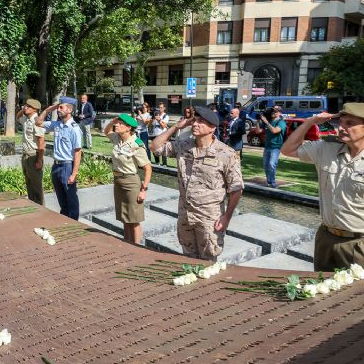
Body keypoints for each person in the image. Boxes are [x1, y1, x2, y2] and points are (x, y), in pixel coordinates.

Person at [150, 106, 244, 261]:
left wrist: (227, 217)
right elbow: (155, 147)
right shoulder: (183, 145)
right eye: (194, 121)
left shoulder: (226, 154)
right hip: (185, 214)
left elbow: (236, 189)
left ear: (212, 128)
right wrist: (175, 126)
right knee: (187, 257)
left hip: (209, 218)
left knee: (208, 259)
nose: (194, 124)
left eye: (200, 122)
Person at [281, 103, 364, 271]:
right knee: (322, 292)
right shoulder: (326, 149)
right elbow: (287, 149)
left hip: (358, 242)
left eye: (350, 123)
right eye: (340, 122)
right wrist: (310, 122)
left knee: (355, 296)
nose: (341, 128)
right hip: (325, 238)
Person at [103, 114, 152, 244]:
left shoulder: (137, 144)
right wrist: (112, 121)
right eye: (117, 123)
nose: (116, 125)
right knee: (124, 217)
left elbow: (148, 168)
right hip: (118, 181)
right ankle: (127, 243)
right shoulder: (117, 138)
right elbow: (106, 131)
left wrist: (143, 190)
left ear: (128, 127)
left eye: (120, 124)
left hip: (131, 183)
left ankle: (136, 247)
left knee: (134, 219)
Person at [36, 97, 83, 220]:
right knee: (62, 199)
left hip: (67, 166)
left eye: (61, 107)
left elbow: (78, 152)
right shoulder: (57, 124)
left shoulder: (74, 128)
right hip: (56, 166)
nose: (58, 110)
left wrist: (74, 174)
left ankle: (73, 224)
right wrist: (49, 109)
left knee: (71, 199)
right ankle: (64, 221)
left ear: (70, 110)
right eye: (58, 107)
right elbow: (38, 122)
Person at [16, 99, 45, 205]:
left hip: (33, 155)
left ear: (34, 109)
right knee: (29, 183)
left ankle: (41, 209)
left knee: (37, 186)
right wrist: (22, 110)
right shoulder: (26, 119)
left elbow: (41, 142)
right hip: (26, 155)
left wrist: (39, 160)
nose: (25, 107)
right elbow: (18, 117)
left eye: (28, 106)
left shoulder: (36, 121)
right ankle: (33, 205)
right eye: (25, 105)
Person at [255, 105, 286, 188]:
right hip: (267, 146)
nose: (272, 112)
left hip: (275, 147)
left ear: (279, 112)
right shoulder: (269, 121)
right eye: (272, 111)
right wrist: (258, 121)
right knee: (266, 165)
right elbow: (258, 131)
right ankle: (269, 182)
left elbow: (275, 130)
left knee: (272, 164)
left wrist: (266, 122)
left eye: (275, 111)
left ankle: (273, 182)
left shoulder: (281, 122)